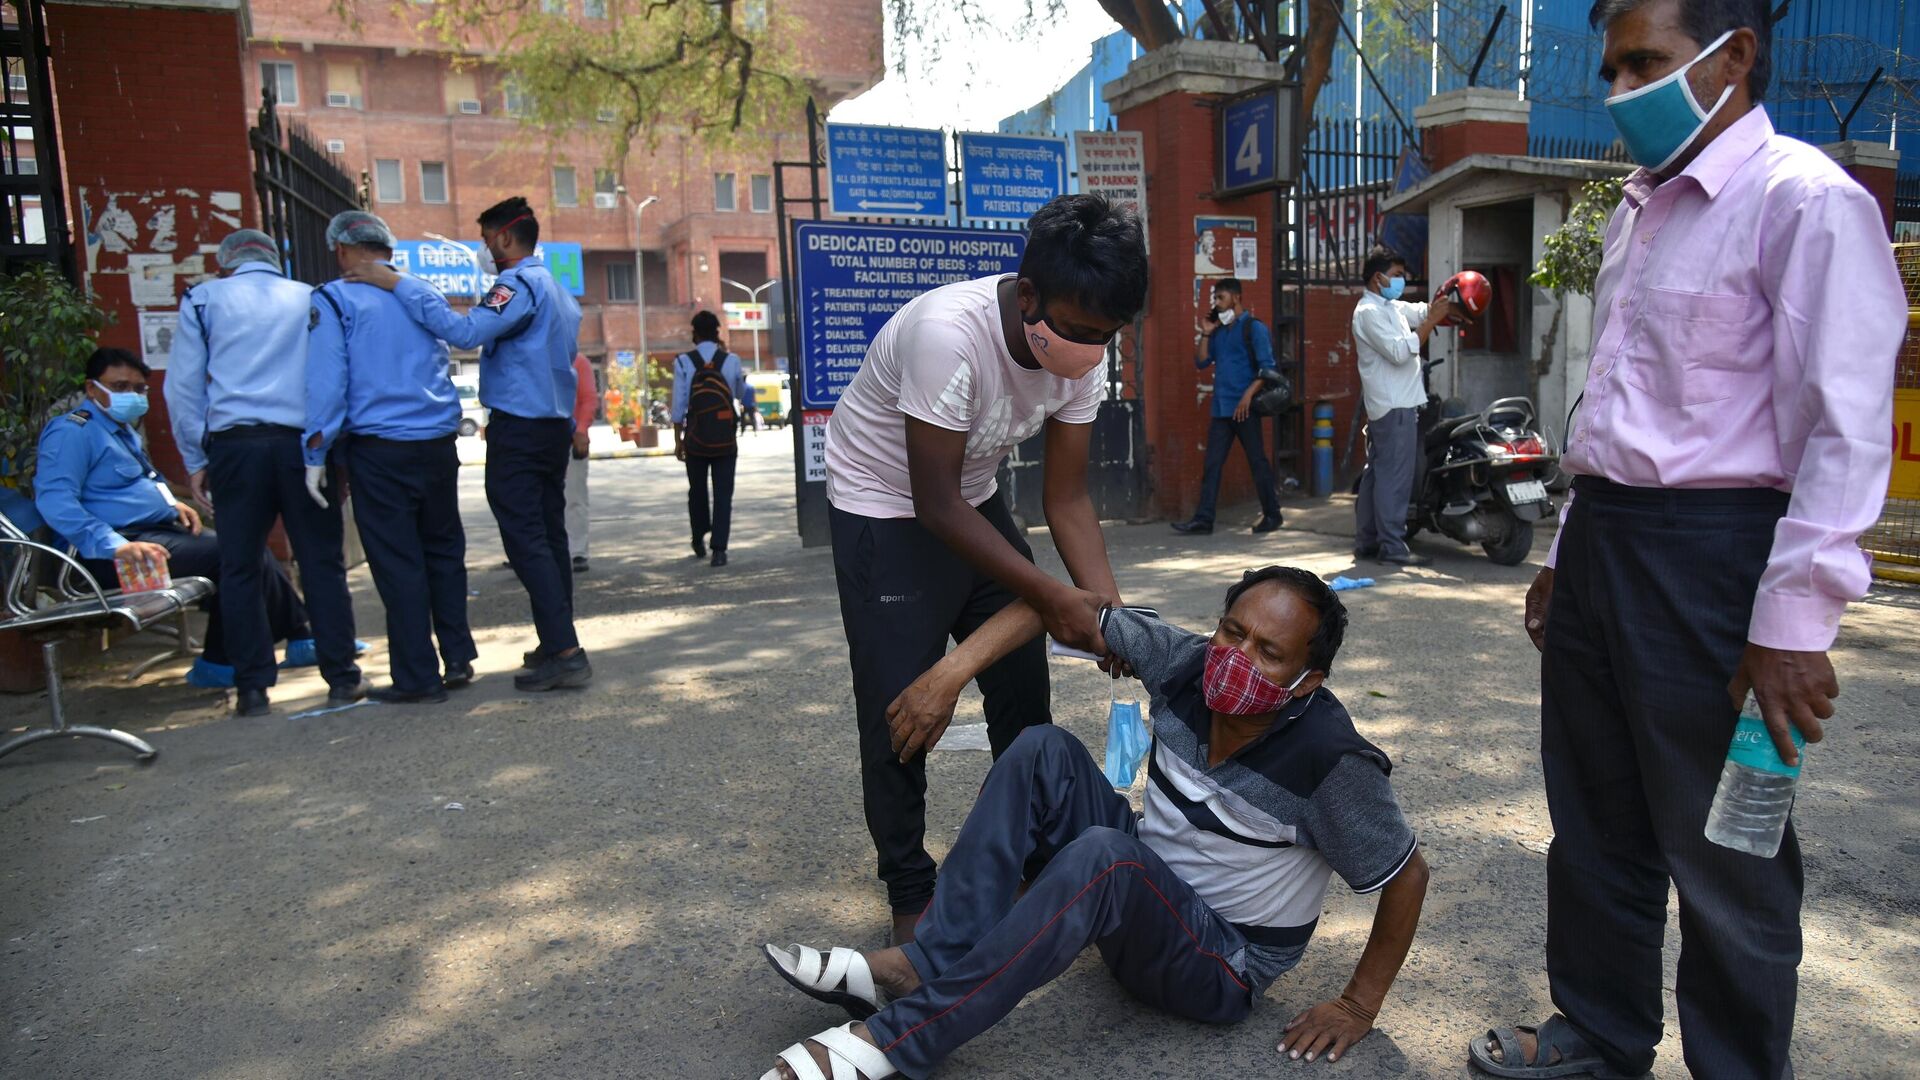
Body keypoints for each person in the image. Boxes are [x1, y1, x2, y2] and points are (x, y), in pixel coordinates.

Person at [1468, 3, 1905, 1079]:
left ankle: (1740, 1065)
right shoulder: (1638, 210)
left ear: (1733, 57)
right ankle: (1603, 1034)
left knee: (1729, 846)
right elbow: (1620, 404)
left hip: (1718, 560)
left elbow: (1843, 430)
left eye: (1646, 62)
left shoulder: (1805, 204)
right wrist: (1568, 550)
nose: (1622, 89)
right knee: (1596, 817)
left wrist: (1795, 622)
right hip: (1609, 540)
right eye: (1613, 65)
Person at [759, 568, 1429, 1080]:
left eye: (1269, 653)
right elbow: (1060, 606)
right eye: (1233, 631)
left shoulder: (1330, 762)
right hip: (1145, 892)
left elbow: (1406, 876)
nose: (1237, 657)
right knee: (1039, 750)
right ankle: (923, 961)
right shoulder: (1189, 663)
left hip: (1220, 964)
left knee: (1108, 855)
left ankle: (900, 1040)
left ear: (1306, 682)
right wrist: (952, 670)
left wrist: (1358, 1005)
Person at [821, 193, 1147, 946]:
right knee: (901, 713)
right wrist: (1059, 599)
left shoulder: (1082, 351)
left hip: (970, 494)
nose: (1090, 352)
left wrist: (1107, 611)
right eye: (1079, 332)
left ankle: (1033, 854)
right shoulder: (949, 337)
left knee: (1023, 691)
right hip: (885, 504)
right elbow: (932, 505)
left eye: (1109, 336)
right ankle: (910, 894)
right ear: (1029, 297)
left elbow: (1065, 497)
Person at [348, 196, 592, 692]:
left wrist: (400, 283)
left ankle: (565, 650)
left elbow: (463, 331)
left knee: (526, 539)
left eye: (485, 240)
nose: (484, 250)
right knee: (549, 536)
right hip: (551, 428)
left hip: (521, 429)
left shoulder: (516, 284)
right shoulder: (559, 291)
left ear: (504, 238)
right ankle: (556, 639)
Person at [36, 349, 315, 697]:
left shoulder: (120, 431)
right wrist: (117, 545)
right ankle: (235, 656)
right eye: (120, 386)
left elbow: (143, 481)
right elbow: (55, 501)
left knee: (244, 545)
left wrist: (174, 506)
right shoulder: (72, 432)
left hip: (154, 535)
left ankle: (292, 640)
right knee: (237, 554)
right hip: (108, 554)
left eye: (139, 389)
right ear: (92, 389)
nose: (132, 396)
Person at [164, 229, 362, 715]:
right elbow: (335, 378)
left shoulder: (203, 299)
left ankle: (252, 688)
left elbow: (183, 389)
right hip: (302, 446)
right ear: (276, 259)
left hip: (236, 449)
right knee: (322, 562)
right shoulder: (311, 297)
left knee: (240, 568)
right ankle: (341, 676)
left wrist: (196, 460)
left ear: (227, 264)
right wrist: (331, 451)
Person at [304, 210, 477, 705]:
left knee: (399, 562)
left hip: (380, 449)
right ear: (389, 250)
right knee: (443, 550)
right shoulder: (420, 292)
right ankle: (458, 656)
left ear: (340, 250)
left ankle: (417, 676)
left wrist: (315, 452)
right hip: (438, 444)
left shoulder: (333, 299)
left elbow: (327, 384)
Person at [1350, 249, 1454, 568]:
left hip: (1392, 404)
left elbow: (1420, 311)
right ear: (1377, 278)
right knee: (1394, 478)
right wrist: (1431, 322)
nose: (1401, 280)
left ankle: (1367, 541)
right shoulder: (1368, 312)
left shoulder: (1389, 306)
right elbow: (1399, 352)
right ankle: (1393, 546)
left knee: (1376, 477)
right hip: (1394, 406)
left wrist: (1443, 309)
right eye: (1396, 274)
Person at [1171, 276, 1283, 536]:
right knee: (1212, 464)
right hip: (1222, 409)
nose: (1217, 304)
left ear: (1236, 297)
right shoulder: (1219, 331)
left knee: (1257, 462)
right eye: (1215, 299)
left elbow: (1267, 369)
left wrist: (1247, 397)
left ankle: (1272, 514)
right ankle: (1204, 519)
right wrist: (1205, 333)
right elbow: (1201, 362)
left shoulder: (1253, 328)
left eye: (1221, 298)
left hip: (1246, 408)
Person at [670, 310, 746, 568]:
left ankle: (698, 537)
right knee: (724, 493)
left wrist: (678, 440)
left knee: (697, 490)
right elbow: (738, 393)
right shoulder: (731, 360)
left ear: (695, 333)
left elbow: (679, 404)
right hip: (725, 438)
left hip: (696, 438)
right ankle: (720, 550)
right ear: (717, 333)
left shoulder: (682, 361)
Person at [565, 353, 595, 575]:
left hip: (571, 437)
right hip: (539, 438)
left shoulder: (578, 361)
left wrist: (581, 430)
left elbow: (588, 399)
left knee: (575, 497)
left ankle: (577, 552)